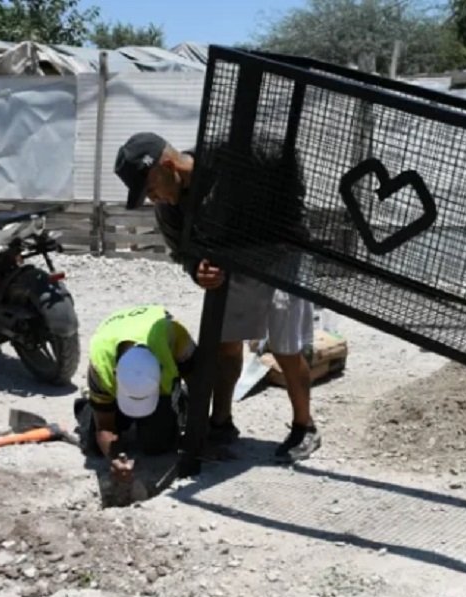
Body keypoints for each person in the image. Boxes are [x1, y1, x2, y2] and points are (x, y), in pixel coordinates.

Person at [113, 131, 321, 462]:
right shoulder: (169, 210)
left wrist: (286, 207)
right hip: (235, 262)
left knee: (285, 347)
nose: (154, 199)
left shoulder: (230, 153)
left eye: (151, 189)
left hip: (284, 251)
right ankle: (221, 423)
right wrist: (197, 269)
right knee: (226, 344)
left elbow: (284, 155)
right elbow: (182, 252)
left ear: (169, 165)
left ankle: (304, 427)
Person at [74, 304, 197, 482]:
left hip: (160, 387)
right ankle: (88, 404)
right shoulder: (101, 365)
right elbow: (105, 427)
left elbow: (199, 384)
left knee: (158, 445)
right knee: (94, 445)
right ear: (116, 373)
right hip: (115, 375)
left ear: (160, 370)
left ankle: (177, 401)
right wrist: (114, 458)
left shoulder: (174, 336)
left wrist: (199, 433)